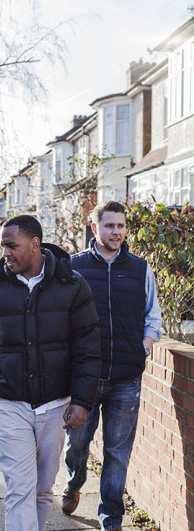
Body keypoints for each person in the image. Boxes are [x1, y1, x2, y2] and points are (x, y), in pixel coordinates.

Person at [0, 214, 101, 531]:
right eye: (3, 246)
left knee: (42, 492)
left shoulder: (72, 285)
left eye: (11, 245)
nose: (5, 253)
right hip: (9, 404)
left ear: (35, 244)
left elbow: (89, 348)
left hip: (55, 407)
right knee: (20, 491)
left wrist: (81, 400)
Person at [62, 201, 162, 531]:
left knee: (117, 453)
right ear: (95, 228)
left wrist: (143, 348)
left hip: (126, 377)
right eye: (109, 226)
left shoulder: (139, 268)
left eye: (121, 226)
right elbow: (61, 318)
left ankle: (111, 519)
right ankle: (75, 482)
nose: (116, 232)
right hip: (84, 379)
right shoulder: (75, 267)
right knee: (77, 445)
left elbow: (153, 316)